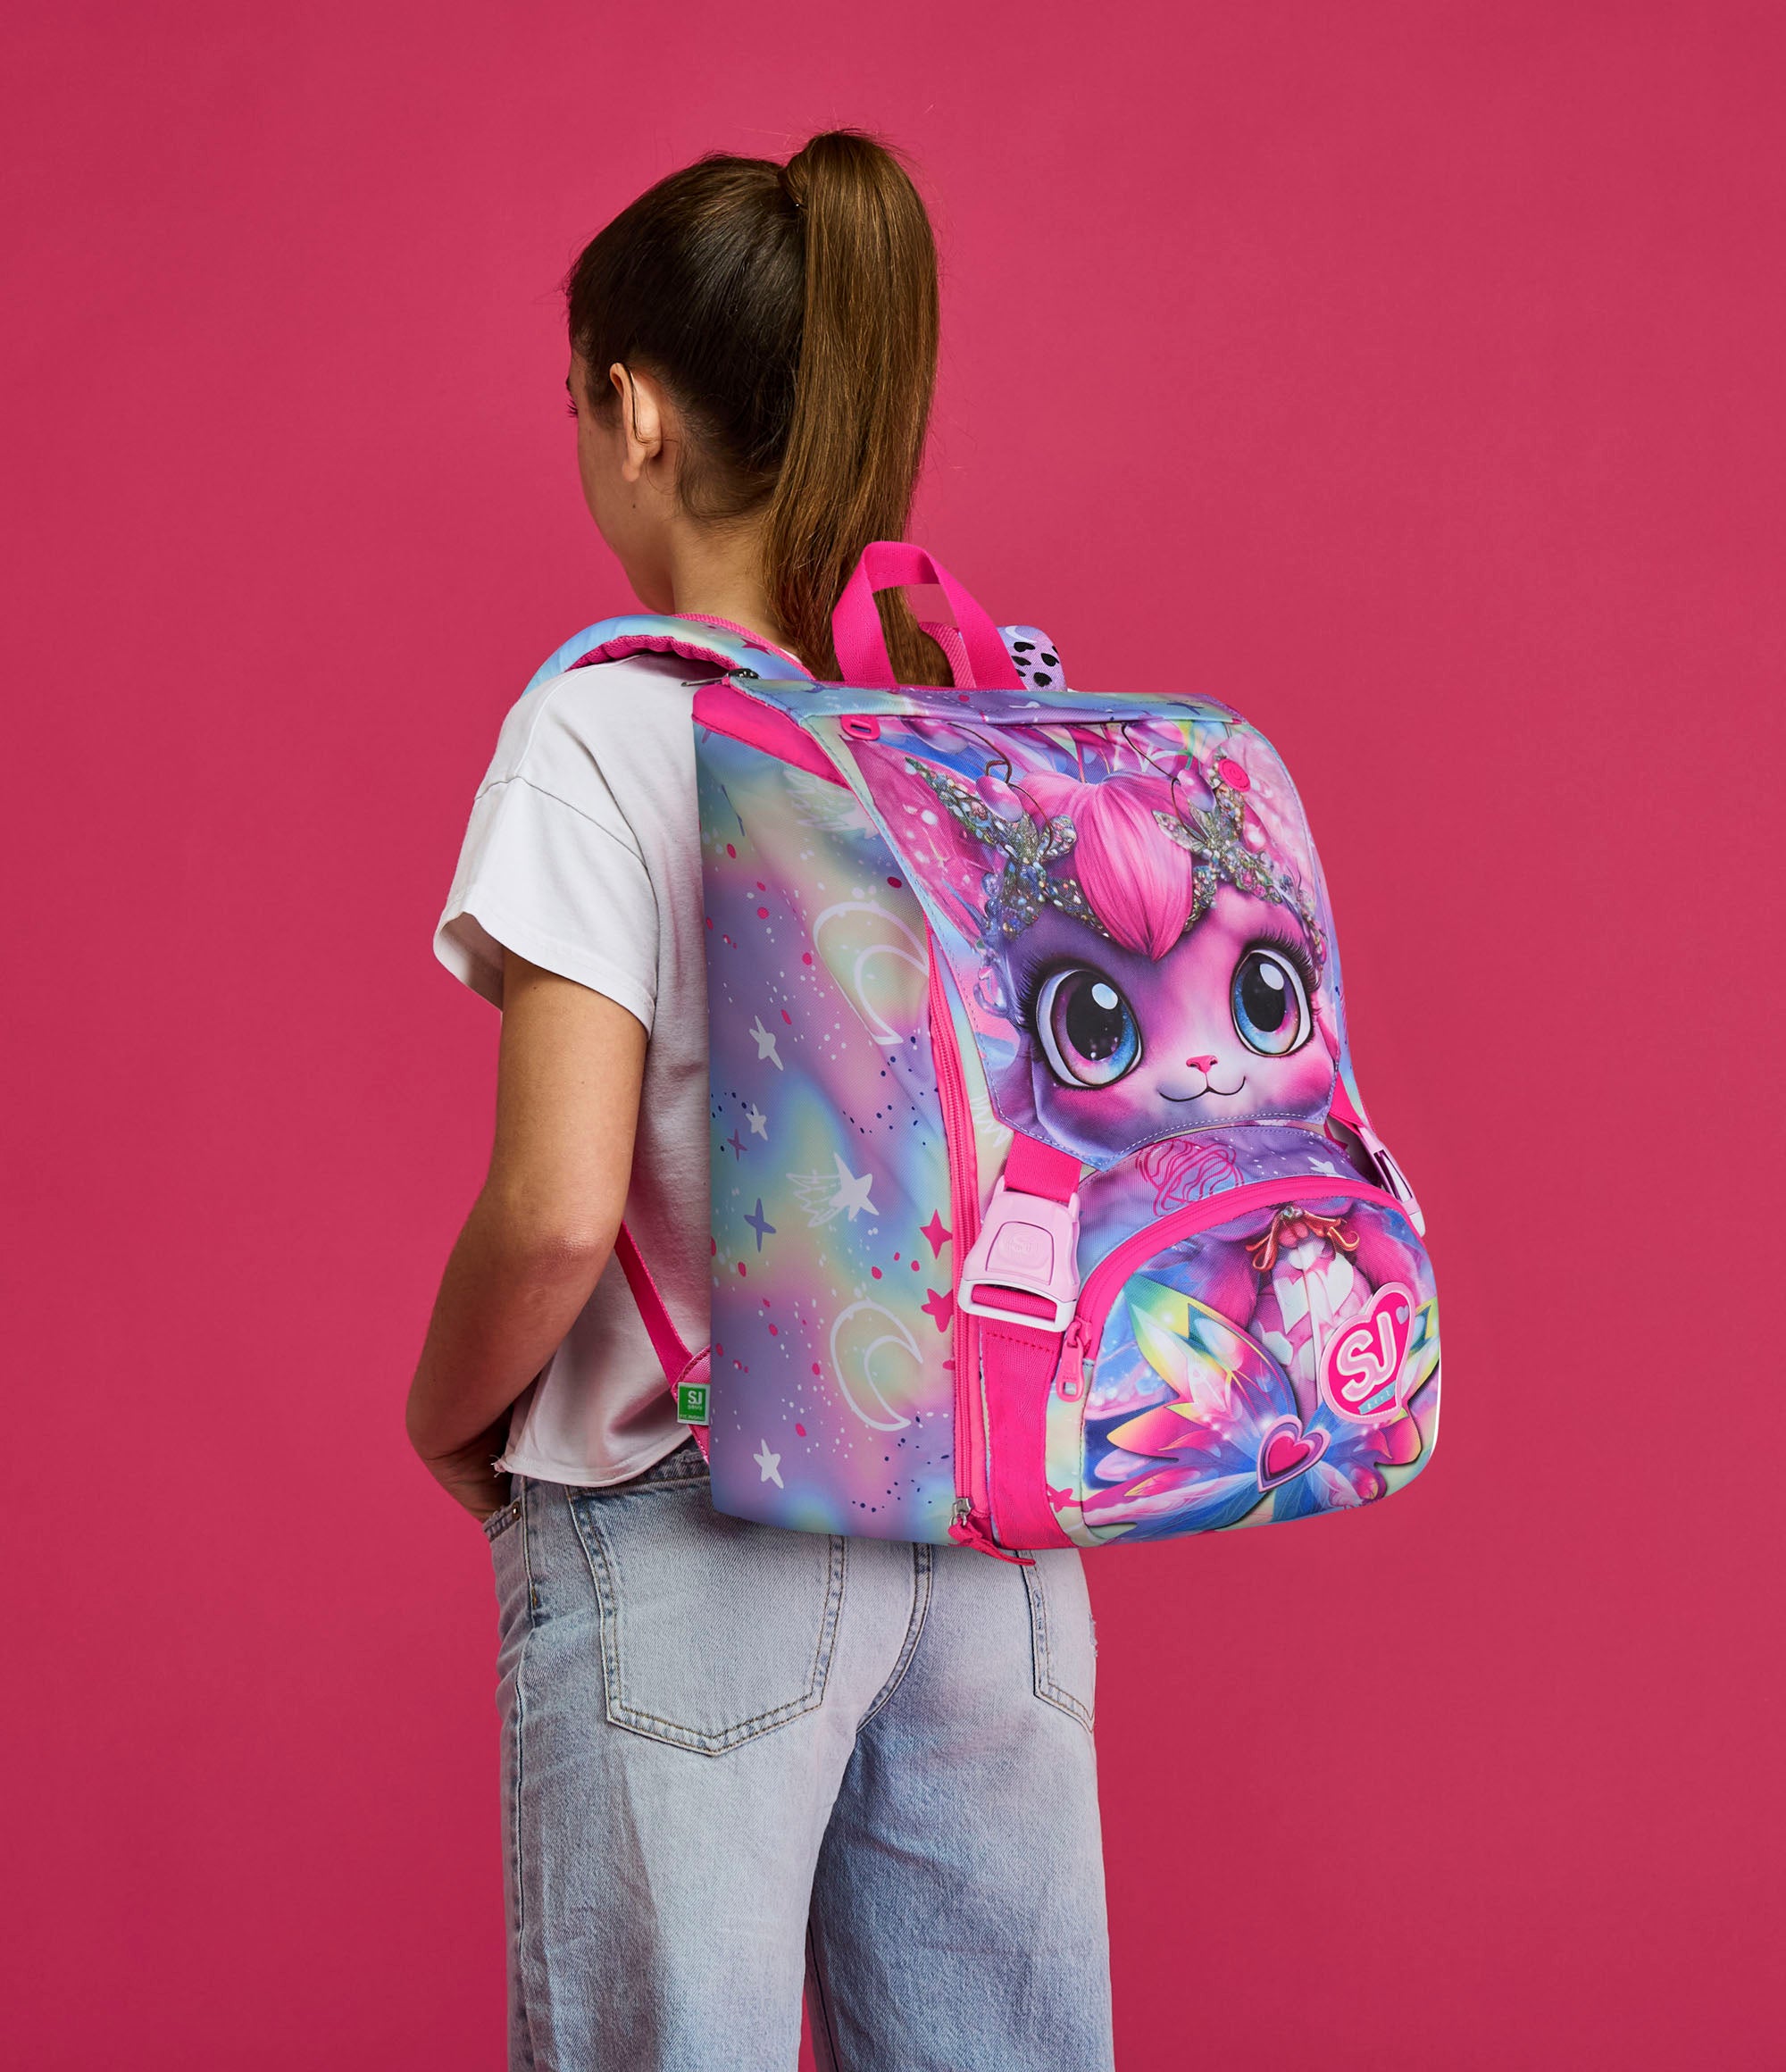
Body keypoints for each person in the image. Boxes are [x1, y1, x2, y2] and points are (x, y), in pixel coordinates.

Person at [407, 131, 1113, 2072]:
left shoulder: (604, 727)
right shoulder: (956, 726)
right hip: (992, 1537)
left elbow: (560, 1207)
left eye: (576, 400)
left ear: (635, 410)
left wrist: (445, 1412)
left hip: (705, 1523)